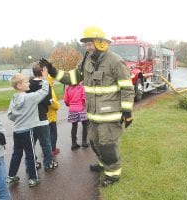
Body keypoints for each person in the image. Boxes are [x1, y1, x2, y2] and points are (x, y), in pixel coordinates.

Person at [40, 26, 135, 187]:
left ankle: (113, 174)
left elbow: (127, 87)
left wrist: (127, 111)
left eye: (90, 44)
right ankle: (103, 164)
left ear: (101, 43)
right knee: (93, 142)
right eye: (86, 45)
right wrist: (53, 71)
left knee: (107, 145)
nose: (87, 48)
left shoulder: (115, 61)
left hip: (109, 116)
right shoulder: (87, 60)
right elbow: (73, 77)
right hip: (93, 115)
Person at [7, 69, 49, 187]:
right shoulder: (30, 97)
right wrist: (44, 79)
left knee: (17, 154)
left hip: (17, 131)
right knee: (30, 154)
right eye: (26, 82)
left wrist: (19, 120)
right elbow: (44, 91)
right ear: (19, 85)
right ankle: (33, 178)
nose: (29, 83)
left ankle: (11, 176)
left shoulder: (14, 98)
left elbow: (10, 115)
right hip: (27, 131)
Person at [27, 63, 58, 172]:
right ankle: (48, 163)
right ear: (42, 72)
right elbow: (48, 100)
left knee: (31, 143)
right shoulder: (45, 84)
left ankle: (31, 164)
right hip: (41, 117)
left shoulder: (28, 84)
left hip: (30, 118)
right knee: (46, 143)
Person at [64, 82, 89, 150]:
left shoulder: (68, 88)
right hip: (81, 108)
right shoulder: (81, 87)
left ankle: (74, 143)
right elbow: (84, 98)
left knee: (74, 126)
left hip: (72, 109)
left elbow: (66, 100)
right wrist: (83, 105)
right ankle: (84, 142)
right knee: (85, 125)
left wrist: (70, 105)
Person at [47, 75, 61, 156]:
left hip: (45, 115)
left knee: (47, 134)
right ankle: (52, 149)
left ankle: (48, 148)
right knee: (53, 133)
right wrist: (57, 106)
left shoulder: (41, 87)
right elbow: (51, 102)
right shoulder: (49, 89)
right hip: (51, 116)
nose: (53, 81)